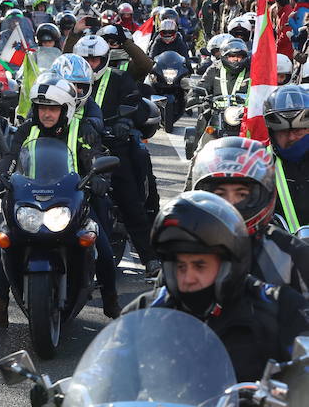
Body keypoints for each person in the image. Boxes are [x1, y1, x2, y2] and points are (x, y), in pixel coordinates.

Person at [0, 73, 118, 326]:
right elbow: (11, 157)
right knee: (0, 247)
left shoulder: (82, 129)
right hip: (31, 201)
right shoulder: (27, 129)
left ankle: (111, 302)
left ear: (66, 109)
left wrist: (99, 177)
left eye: (53, 108)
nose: (46, 114)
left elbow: (94, 156)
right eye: (41, 108)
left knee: (101, 246)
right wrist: (0, 175)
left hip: (73, 201)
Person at [123, 191, 309, 382]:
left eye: (199, 266)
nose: (188, 278)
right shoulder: (144, 313)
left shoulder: (279, 309)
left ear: (228, 265)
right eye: (180, 266)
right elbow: (104, 379)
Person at [72, 34, 160, 276]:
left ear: (105, 59)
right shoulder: (67, 79)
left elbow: (135, 104)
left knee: (130, 198)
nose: (90, 65)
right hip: (76, 147)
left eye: (95, 60)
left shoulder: (120, 77)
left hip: (112, 146)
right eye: (85, 59)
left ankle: (149, 258)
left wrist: (123, 120)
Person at [192, 136, 309, 294]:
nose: (231, 204)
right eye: (220, 194)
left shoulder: (292, 254)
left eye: (241, 195)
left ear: (263, 194)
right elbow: (162, 309)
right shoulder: (185, 250)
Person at [263, 84, 309, 232]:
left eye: (298, 130)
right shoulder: (259, 164)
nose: (291, 137)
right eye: (282, 131)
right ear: (271, 131)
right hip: (278, 250)